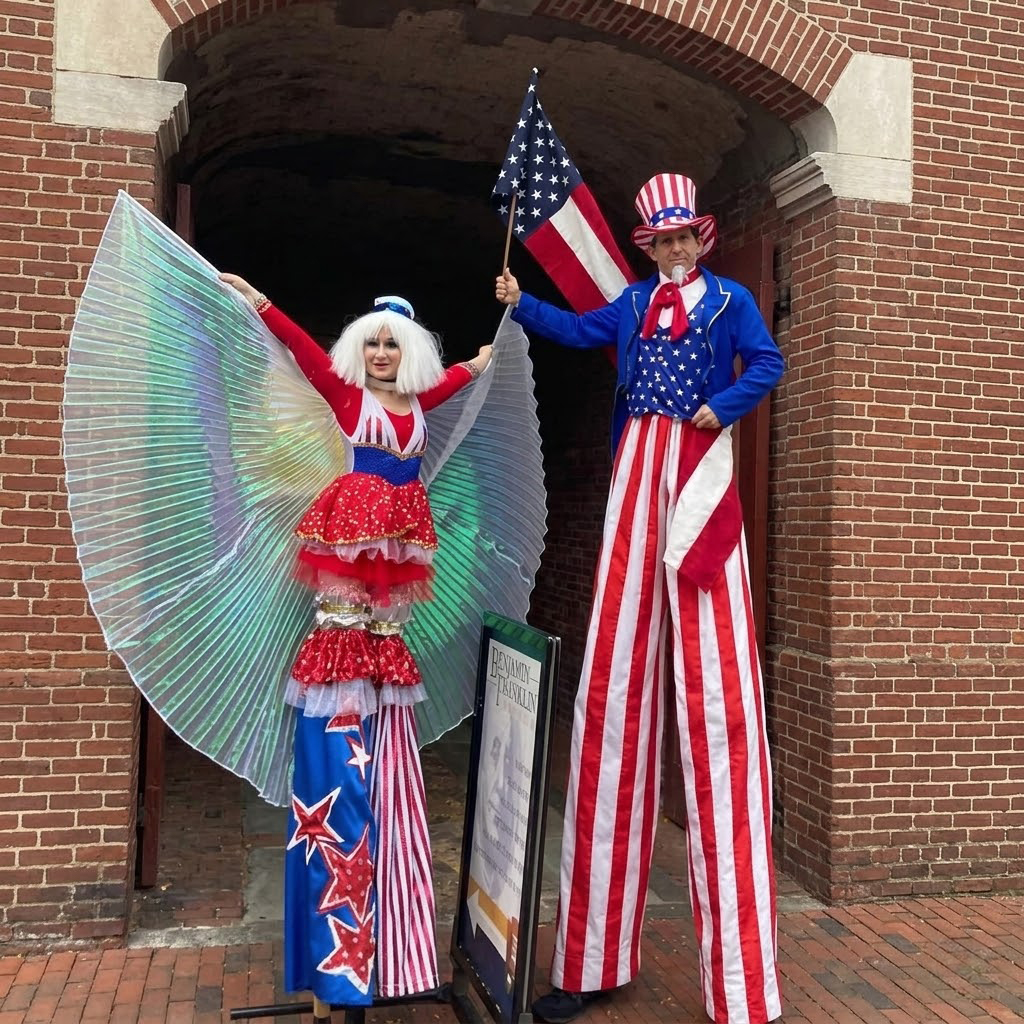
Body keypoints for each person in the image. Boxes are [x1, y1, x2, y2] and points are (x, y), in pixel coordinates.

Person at [494, 173, 784, 1024]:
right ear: (649, 247)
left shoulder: (729, 302)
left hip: (696, 473)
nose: (674, 249)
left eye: (684, 237)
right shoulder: (630, 303)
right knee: (611, 697)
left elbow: (768, 363)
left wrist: (721, 406)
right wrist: (520, 304)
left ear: (701, 238)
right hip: (634, 473)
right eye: (662, 240)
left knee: (720, 706)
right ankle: (590, 960)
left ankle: (742, 990)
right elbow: (579, 329)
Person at [221, 274, 492, 1021]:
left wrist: (486, 356)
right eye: (371, 343)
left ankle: (376, 711)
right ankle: (342, 711)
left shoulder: (420, 404)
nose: (379, 354)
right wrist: (260, 302)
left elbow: (459, 379)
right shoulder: (348, 399)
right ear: (358, 350)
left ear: (408, 354)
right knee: (342, 630)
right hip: (351, 539)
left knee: (385, 634)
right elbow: (302, 352)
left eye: (390, 345)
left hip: (397, 545)